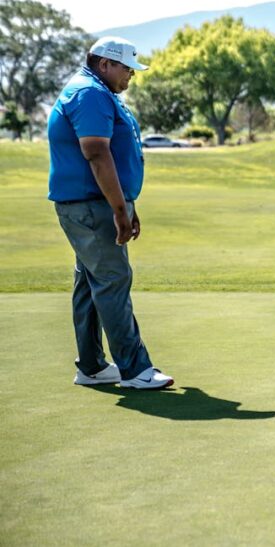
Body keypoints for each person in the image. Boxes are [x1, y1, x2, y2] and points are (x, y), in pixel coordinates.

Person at [47, 36, 173, 389]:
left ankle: (92, 367)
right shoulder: (90, 94)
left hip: (95, 204)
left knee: (90, 283)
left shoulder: (98, 93)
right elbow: (96, 153)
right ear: (105, 64)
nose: (131, 76)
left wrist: (127, 203)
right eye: (126, 68)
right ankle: (134, 369)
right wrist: (119, 209)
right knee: (113, 280)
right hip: (91, 206)